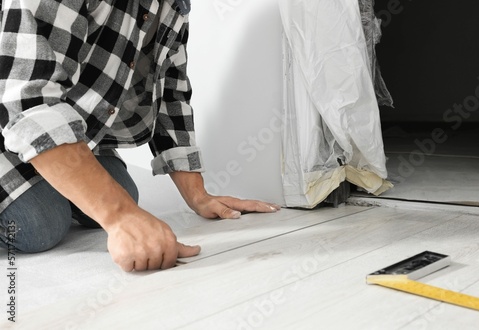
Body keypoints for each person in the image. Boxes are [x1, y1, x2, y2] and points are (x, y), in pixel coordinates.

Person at [0, 0, 280, 271]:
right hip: (11, 106)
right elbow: (28, 99)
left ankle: (44, 164)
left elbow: (169, 88)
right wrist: (119, 215)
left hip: (67, 122)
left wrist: (198, 195)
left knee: (121, 193)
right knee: (38, 224)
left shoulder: (172, 4)